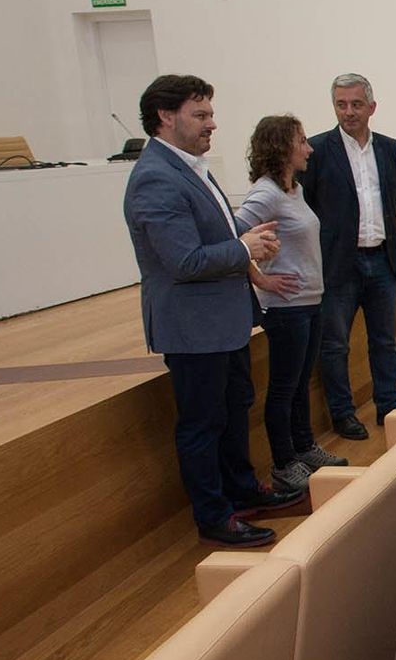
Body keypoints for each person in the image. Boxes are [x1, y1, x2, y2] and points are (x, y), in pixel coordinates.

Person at [123, 75, 303, 548]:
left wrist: (246, 246)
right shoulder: (156, 178)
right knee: (203, 424)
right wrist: (244, 248)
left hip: (225, 321)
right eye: (200, 115)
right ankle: (214, 515)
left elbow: (213, 240)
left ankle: (242, 491)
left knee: (233, 409)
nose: (212, 124)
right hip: (193, 328)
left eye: (210, 114)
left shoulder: (190, 167)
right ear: (165, 117)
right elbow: (183, 261)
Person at [235, 115, 347, 494]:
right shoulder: (265, 193)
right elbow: (233, 236)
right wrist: (260, 279)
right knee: (284, 388)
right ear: (283, 147)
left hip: (310, 301)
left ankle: (304, 447)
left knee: (300, 384)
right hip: (286, 307)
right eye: (302, 141)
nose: (309, 149)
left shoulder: (294, 190)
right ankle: (284, 463)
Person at [300, 73, 396, 440]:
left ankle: (389, 403)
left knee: (385, 340)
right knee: (335, 345)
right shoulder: (317, 149)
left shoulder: (389, 148)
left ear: (372, 107)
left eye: (356, 104)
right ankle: (343, 413)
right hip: (338, 265)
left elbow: (393, 197)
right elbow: (308, 205)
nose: (349, 112)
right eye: (341, 105)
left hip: (381, 259)